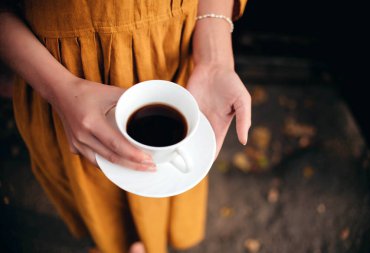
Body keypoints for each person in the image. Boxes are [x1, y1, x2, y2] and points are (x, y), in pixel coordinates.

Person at [0, 0, 251, 252]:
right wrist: (61, 90)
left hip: (178, 61)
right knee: (99, 205)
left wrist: (214, 57)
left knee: (163, 197)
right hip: (63, 87)